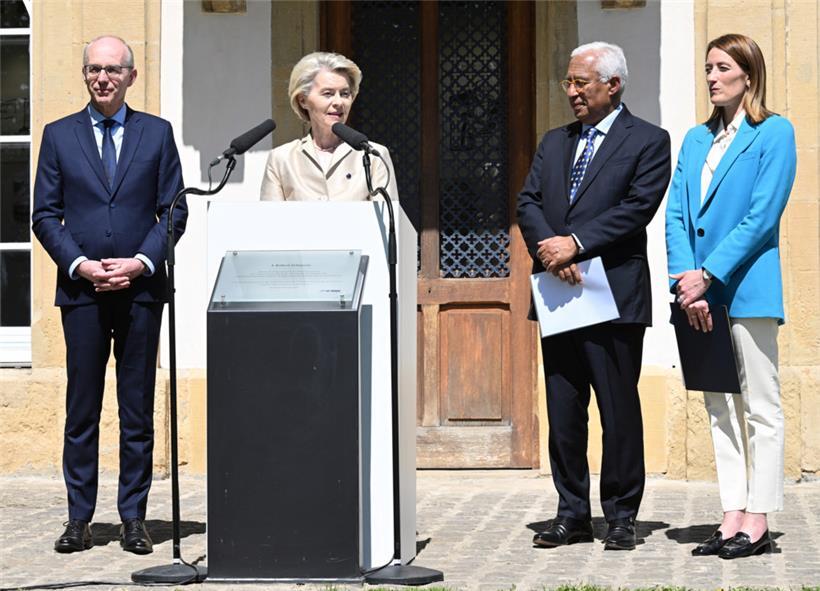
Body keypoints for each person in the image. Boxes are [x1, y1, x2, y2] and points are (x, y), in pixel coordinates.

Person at [32, 35, 187, 555]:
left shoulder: (157, 134)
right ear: (84, 75)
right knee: (82, 410)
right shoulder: (58, 135)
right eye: (94, 69)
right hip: (82, 293)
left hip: (141, 292)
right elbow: (44, 215)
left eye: (113, 69)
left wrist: (141, 262)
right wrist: (81, 265)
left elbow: (173, 211)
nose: (103, 77)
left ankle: (134, 519)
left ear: (131, 76)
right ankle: (79, 519)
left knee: (136, 408)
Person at [517, 42, 671, 551]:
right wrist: (551, 253)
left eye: (582, 82)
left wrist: (577, 245)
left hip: (614, 294)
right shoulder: (555, 142)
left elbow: (637, 207)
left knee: (617, 408)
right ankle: (572, 513)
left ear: (614, 85)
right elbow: (529, 200)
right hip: (560, 293)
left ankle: (622, 514)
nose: (573, 92)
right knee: (564, 407)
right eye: (569, 82)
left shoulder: (648, 140)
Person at [665, 34, 796, 559]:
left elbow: (762, 216)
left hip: (748, 289)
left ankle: (759, 519)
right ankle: (731, 513)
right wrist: (684, 280)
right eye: (707, 68)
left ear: (748, 74)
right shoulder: (696, 139)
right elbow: (676, 212)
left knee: (761, 405)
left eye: (722, 68)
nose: (712, 77)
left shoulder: (774, 133)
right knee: (720, 406)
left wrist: (709, 274)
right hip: (697, 292)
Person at [259, 51, 398, 201]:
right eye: (328, 93)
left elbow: (388, 221)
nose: (338, 102)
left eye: (345, 94)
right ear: (303, 100)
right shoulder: (282, 159)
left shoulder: (373, 155)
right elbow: (269, 222)